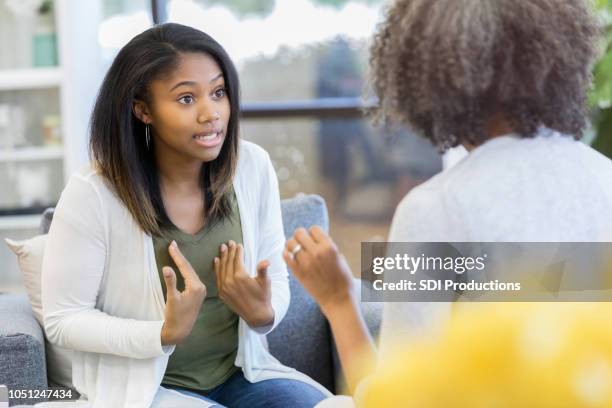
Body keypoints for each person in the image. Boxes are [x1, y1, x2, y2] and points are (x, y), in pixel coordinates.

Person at [283, 0, 612, 401]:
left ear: (428, 78)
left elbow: (399, 398)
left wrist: (338, 299)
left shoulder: (435, 207)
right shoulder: (604, 177)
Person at [41, 23, 329, 408]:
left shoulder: (252, 167)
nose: (211, 113)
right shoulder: (95, 192)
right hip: (147, 390)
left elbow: (274, 281)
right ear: (142, 109)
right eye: (186, 99)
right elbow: (64, 319)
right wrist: (162, 332)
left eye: (218, 92)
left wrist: (262, 313)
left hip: (242, 375)